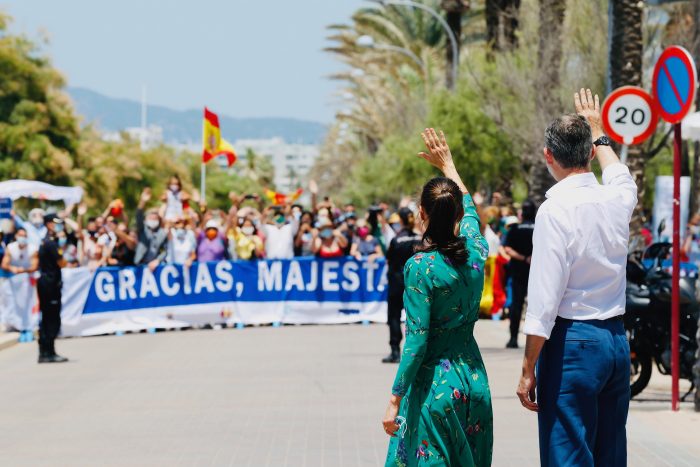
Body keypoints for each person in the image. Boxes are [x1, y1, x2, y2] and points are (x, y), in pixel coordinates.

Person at [516, 89, 637, 466]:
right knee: (610, 455)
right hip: (616, 341)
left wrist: (527, 368)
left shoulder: (555, 211)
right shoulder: (617, 199)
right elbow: (619, 172)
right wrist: (598, 127)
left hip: (574, 344)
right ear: (588, 153)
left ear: (548, 157)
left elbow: (544, 301)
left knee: (568, 455)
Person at [383, 128, 492, 466]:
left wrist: (394, 398)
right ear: (457, 214)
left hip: (436, 388)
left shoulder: (420, 267)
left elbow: (416, 340)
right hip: (475, 384)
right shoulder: (477, 251)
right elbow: (471, 210)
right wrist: (450, 166)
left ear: (421, 213)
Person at [382, 207, 421, 364]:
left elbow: (389, 260)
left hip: (396, 284)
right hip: (414, 284)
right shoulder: (420, 239)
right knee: (416, 318)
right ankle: (415, 352)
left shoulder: (396, 240)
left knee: (394, 318)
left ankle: (395, 352)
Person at [503, 200, 536, 348]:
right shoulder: (540, 227)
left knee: (516, 305)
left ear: (522, 212)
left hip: (518, 272)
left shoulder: (515, 229)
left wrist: (523, 258)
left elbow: (508, 249)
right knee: (539, 307)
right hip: (537, 273)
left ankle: (513, 338)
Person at [37, 214, 69, 363]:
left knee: (47, 318)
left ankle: (46, 352)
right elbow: (62, 263)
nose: (59, 226)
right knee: (51, 319)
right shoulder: (50, 242)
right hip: (50, 285)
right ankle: (48, 352)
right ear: (49, 224)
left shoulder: (49, 241)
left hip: (47, 283)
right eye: (56, 223)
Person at [135, 188, 168, 270]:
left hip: (155, 267)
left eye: (155, 219)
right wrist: (143, 201)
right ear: (145, 220)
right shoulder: (143, 230)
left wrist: (157, 260)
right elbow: (138, 215)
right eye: (150, 218)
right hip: (141, 266)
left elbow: (166, 250)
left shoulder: (162, 233)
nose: (153, 220)